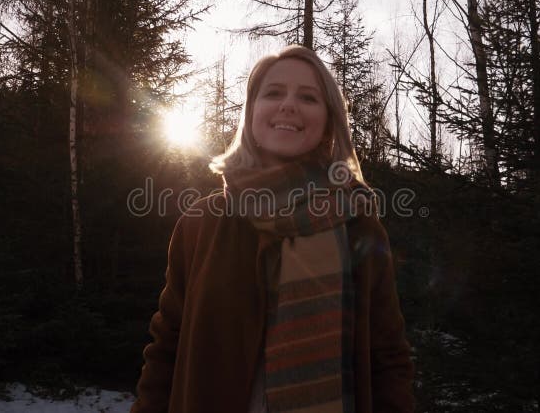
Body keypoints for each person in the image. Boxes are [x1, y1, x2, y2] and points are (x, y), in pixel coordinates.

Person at [130, 44, 414, 413]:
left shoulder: (359, 226)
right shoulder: (201, 223)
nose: (288, 105)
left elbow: (388, 358)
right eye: (274, 93)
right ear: (251, 113)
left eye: (308, 97)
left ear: (329, 119)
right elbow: (166, 346)